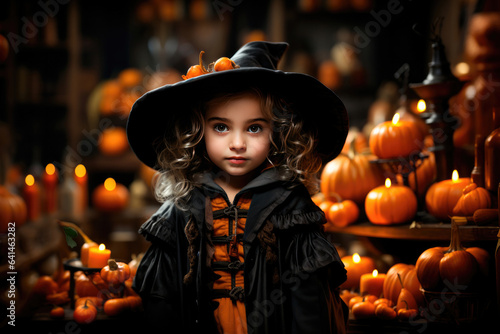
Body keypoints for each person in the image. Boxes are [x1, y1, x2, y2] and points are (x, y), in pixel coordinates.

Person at [126, 41, 349, 333]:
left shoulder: (292, 208)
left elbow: (310, 302)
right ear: (197, 129)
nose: (237, 143)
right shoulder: (182, 206)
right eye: (221, 127)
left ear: (278, 132)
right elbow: (162, 301)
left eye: (254, 128)